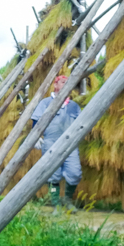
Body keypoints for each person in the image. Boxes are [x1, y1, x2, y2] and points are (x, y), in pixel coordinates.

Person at [31, 75, 82, 215]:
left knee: (75, 173)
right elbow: (36, 122)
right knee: (53, 176)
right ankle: (56, 203)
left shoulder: (73, 106)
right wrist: (36, 137)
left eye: (68, 83)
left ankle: (67, 199)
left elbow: (82, 124)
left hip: (70, 145)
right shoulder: (45, 103)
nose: (66, 85)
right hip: (50, 143)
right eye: (63, 82)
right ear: (55, 85)